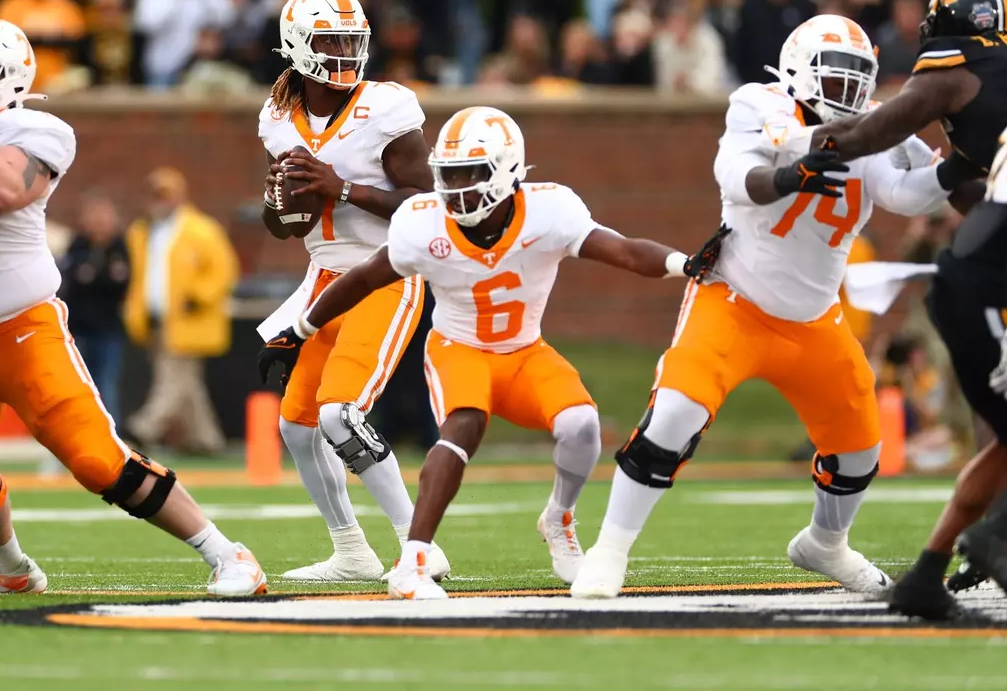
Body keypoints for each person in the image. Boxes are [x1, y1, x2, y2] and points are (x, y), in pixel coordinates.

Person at [571, 14, 957, 601]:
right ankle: (610, 550)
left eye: (858, 78)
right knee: (675, 413)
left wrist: (951, 170)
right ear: (800, 70)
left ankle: (825, 545)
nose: (849, 91)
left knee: (860, 445)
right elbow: (736, 178)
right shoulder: (759, 102)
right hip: (735, 300)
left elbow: (904, 195)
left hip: (813, 320)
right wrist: (792, 175)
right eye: (836, 75)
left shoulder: (870, 132)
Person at [260, 106, 689, 599]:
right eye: (451, 175)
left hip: (525, 350)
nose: (460, 188)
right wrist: (299, 327)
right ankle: (415, 557)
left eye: (473, 174)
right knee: (463, 425)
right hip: (458, 349)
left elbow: (626, 251)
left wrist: (685, 264)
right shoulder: (426, 222)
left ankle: (559, 518)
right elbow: (363, 279)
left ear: (509, 173)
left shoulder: (550, 211)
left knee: (582, 426)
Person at [0, 18, 266, 597]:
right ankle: (8, 567)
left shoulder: (38, 129)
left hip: (22, 329)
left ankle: (228, 554)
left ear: (14, 80)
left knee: (99, 460)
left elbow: (0, 193)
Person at [785, 0, 1007, 619]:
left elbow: (960, 192)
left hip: (977, 281)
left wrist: (810, 149)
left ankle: (943, 563)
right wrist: (796, 155)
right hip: (981, 284)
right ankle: (990, 537)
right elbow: (883, 137)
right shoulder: (976, 74)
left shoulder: (968, 78)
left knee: (1003, 431)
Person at [256, 0, 444, 582]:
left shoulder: (385, 106)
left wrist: (342, 187)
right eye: (329, 40)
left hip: (385, 272)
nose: (342, 52)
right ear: (297, 44)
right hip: (322, 277)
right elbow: (285, 225)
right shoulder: (278, 118)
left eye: (350, 40)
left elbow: (430, 203)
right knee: (295, 424)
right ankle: (351, 550)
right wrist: (280, 204)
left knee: (341, 413)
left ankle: (418, 546)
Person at [123, 168, 237, 455]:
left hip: (190, 318)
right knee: (187, 383)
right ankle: (206, 439)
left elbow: (224, 270)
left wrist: (198, 297)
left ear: (179, 195)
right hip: (156, 319)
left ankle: (142, 429)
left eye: (164, 194)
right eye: (154, 195)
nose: (159, 201)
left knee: (172, 380)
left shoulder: (201, 229)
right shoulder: (141, 232)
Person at [59, 196, 129, 421]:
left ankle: (112, 443)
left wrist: (93, 277)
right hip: (78, 329)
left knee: (105, 386)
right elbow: (72, 280)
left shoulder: (120, 247)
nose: (99, 222)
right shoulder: (77, 245)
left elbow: (120, 283)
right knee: (77, 386)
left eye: (104, 216)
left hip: (108, 329)